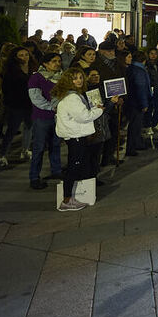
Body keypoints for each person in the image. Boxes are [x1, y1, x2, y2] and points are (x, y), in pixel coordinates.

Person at [52, 67, 104, 212]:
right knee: (73, 168)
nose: (79, 80)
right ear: (68, 80)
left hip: (75, 135)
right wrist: (99, 110)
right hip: (75, 136)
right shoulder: (72, 97)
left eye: (81, 77)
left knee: (76, 165)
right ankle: (66, 200)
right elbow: (84, 116)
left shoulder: (71, 95)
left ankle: (71, 197)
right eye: (75, 78)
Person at [27, 52, 63, 189]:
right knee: (39, 147)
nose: (57, 63)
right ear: (45, 63)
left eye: (59, 61)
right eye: (54, 61)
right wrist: (51, 107)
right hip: (42, 117)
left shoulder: (62, 76)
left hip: (57, 116)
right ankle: (34, 177)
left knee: (55, 145)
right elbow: (35, 98)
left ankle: (56, 170)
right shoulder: (36, 77)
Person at [0, 46, 34, 167]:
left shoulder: (32, 68)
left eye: (26, 54)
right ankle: (3, 155)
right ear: (15, 57)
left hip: (30, 103)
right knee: (12, 130)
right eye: (21, 55)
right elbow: (6, 88)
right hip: (16, 104)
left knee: (29, 127)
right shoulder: (11, 70)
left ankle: (25, 150)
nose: (25, 57)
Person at [122, 50, 151, 156]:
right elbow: (141, 88)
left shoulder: (132, 68)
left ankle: (137, 144)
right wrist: (144, 104)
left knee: (135, 125)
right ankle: (131, 148)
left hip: (132, 101)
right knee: (135, 126)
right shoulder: (139, 71)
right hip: (137, 103)